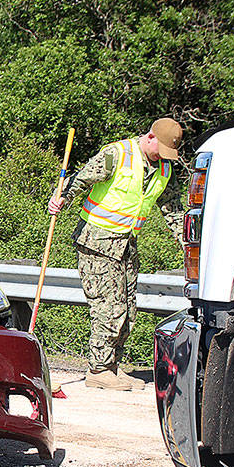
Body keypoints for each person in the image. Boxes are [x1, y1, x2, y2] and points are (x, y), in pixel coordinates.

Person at [47, 119, 185, 391]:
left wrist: (189, 245)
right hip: (97, 241)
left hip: (126, 245)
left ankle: (111, 366)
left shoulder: (165, 168)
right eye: (161, 150)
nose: (162, 157)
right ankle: (98, 369)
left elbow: (174, 211)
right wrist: (62, 197)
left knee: (128, 310)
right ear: (150, 137)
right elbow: (81, 178)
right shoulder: (118, 154)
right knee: (109, 308)